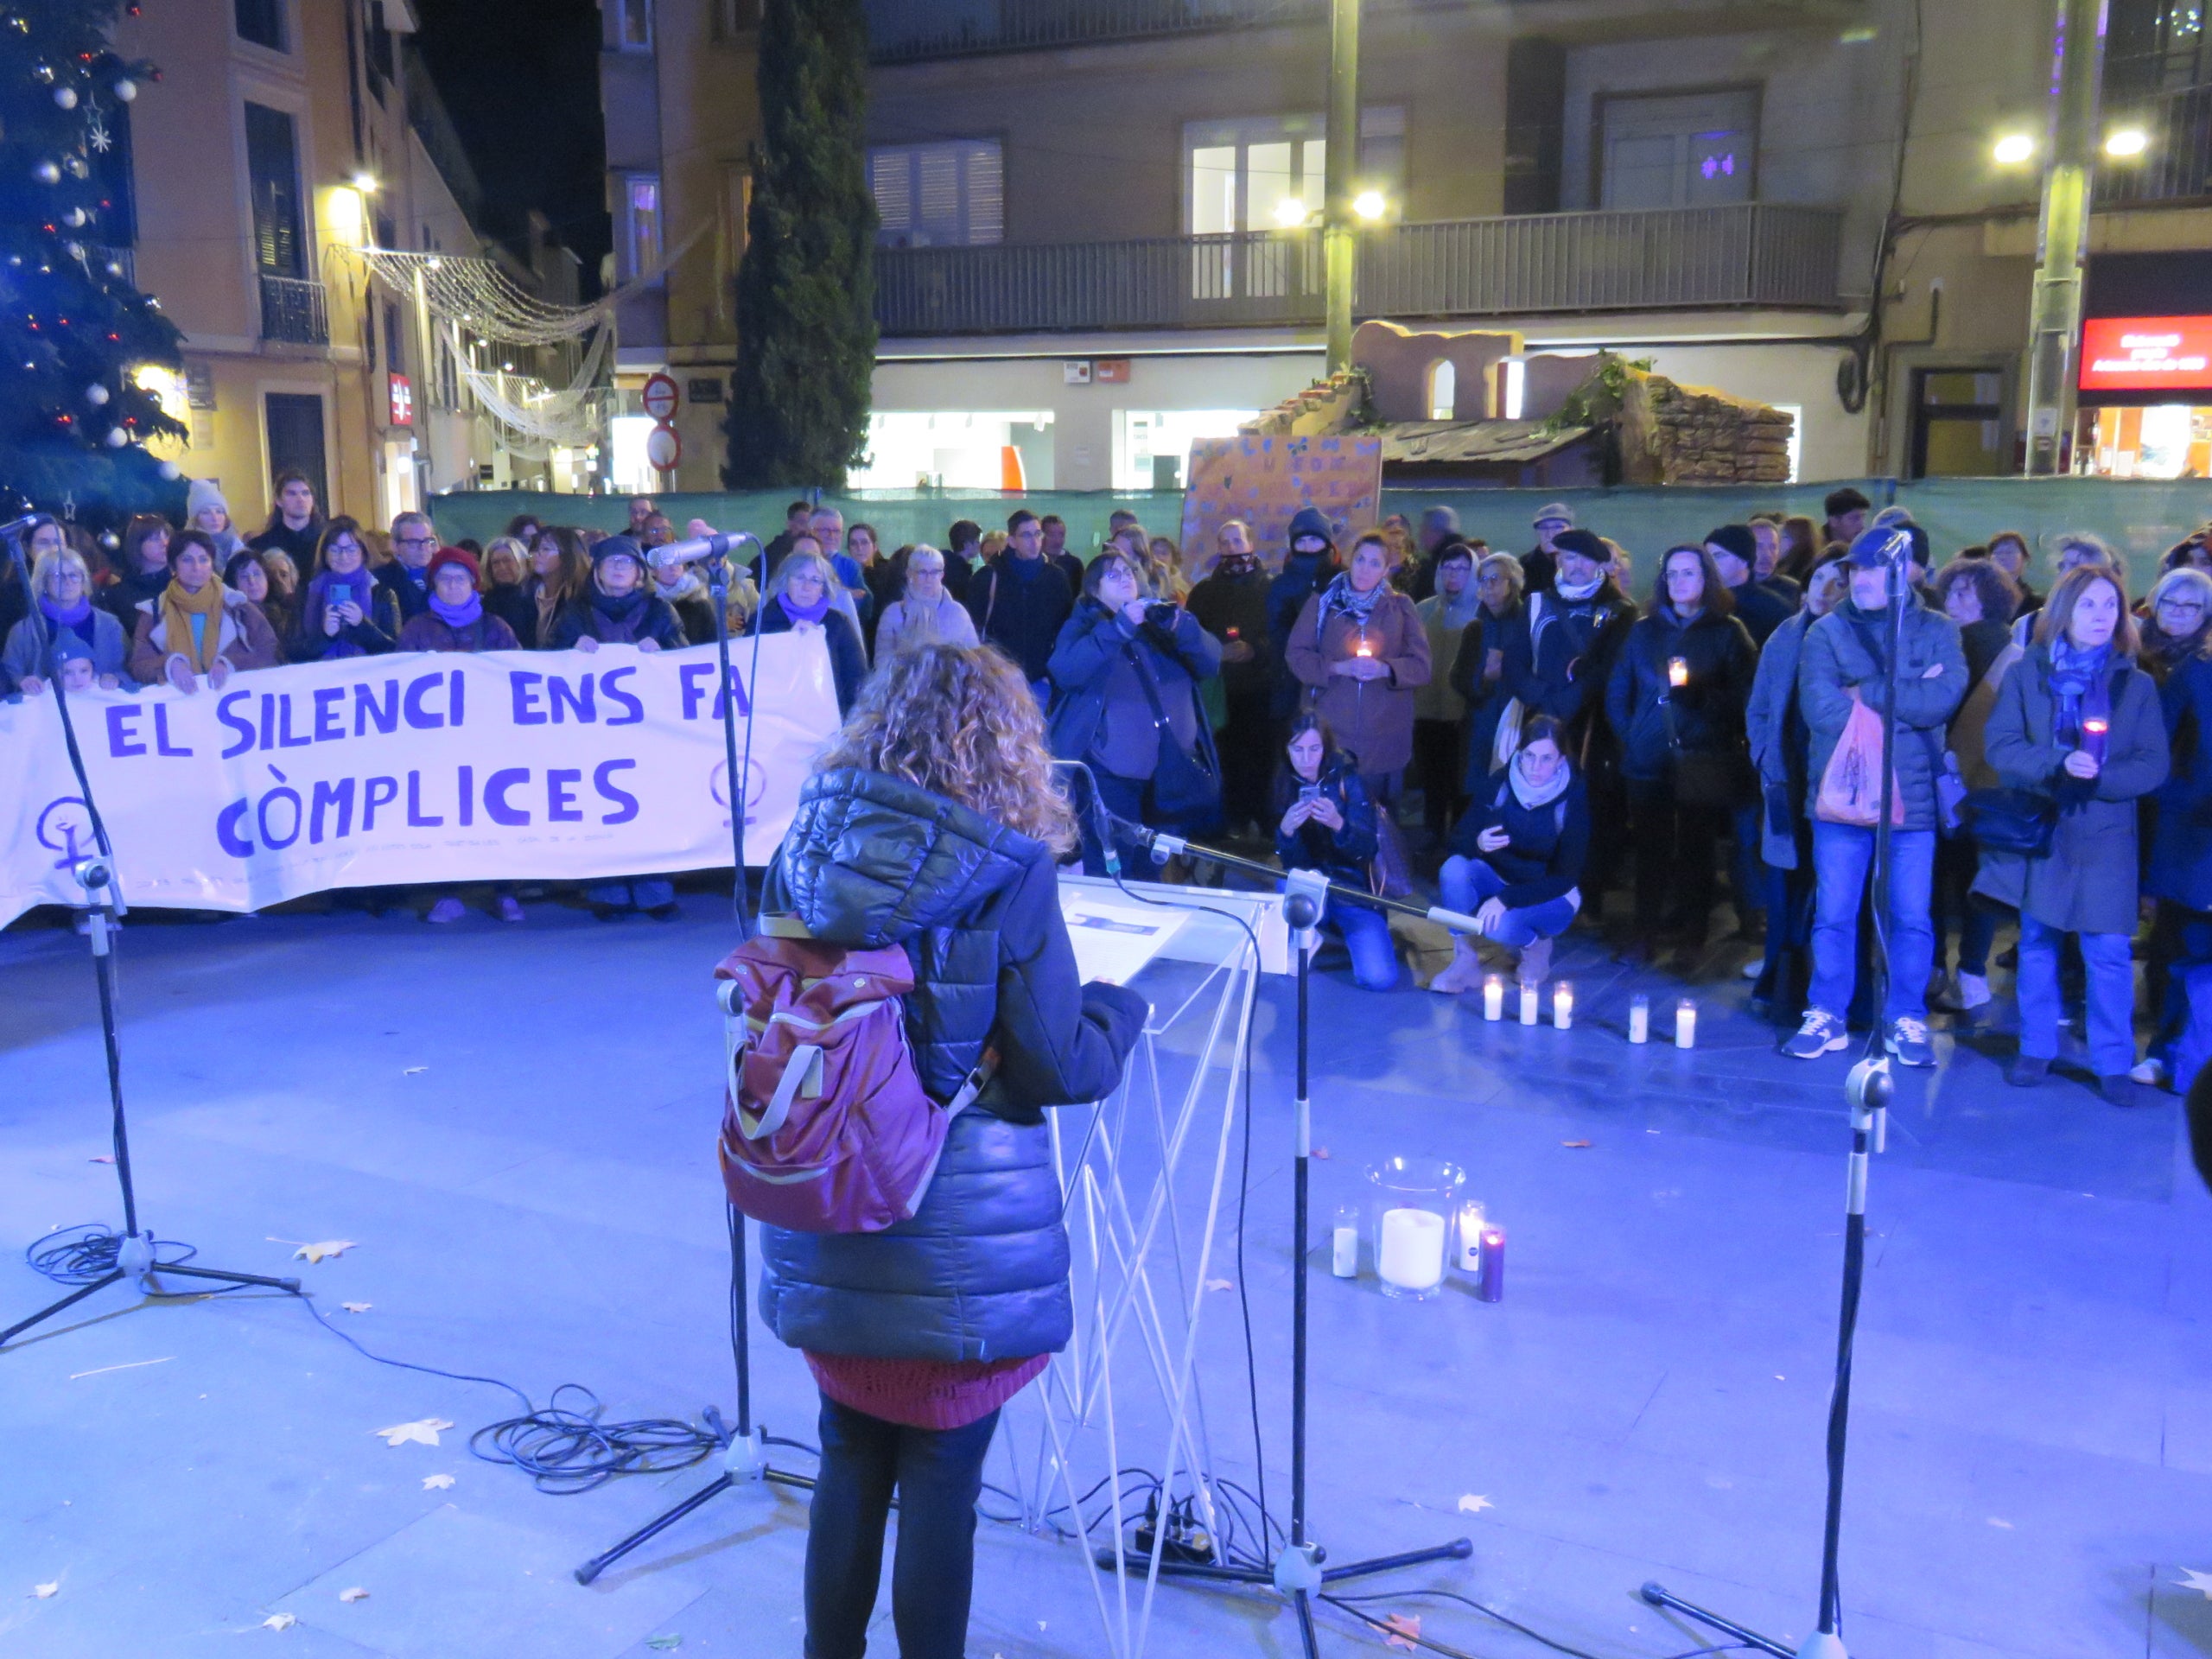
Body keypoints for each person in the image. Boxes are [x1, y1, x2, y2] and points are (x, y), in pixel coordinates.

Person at [757, 642, 1146, 1659]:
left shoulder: (807, 842)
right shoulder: (1010, 867)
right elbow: (1058, 1063)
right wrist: (1118, 1008)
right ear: (1009, 739)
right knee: (942, 1483)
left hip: (829, 1209)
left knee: (847, 1458)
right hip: (960, 1241)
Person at [1976, 564, 2166, 1103]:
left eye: (2111, 605)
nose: (2102, 615)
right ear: (2063, 611)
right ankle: (2036, 1046)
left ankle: (2110, 1059)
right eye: (2089, 604)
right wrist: (2057, 764)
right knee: (2037, 943)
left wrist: (2101, 775)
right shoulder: (2026, 674)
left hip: (2107, 837)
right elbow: (2002, 747)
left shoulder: (2136, 684)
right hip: (2046, 830)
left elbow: (2154, 764)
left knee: (2107, 952)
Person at [1783, 528, 1967, 1065]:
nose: (1861, 580)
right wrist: (1905, 703)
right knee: (1834, 913)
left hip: (1911, 805)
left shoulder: (1939, 631)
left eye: (1874, 570)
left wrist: (1866, 694)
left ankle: (1906, 1015)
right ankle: (1827, 1015)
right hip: (1842, 799)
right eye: (1855, 570)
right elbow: (1820, 709)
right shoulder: (1826, 633)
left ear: (1904, 572)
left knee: (1911, 916)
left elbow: (1943, 699)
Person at [1605, 544, 1758, 961]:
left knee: (1696, 850)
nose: (1678, 582)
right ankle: (1645, 933)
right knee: (1650, 851)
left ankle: (1693, 935)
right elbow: (1619, 690)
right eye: (1671, 574)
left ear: (1706, 579)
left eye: (1688, 573)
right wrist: (1631, 736)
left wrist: (1701, 699)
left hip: (1701, 756)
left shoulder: (1727, 633)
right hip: (1647, 759)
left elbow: (1746, 700)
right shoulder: (1643, 631)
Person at [1048, 549, 1223, 869]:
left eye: (1129, 571)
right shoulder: (1083, 626)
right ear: (1093, 589)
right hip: (1111, 775)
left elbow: (1211, 661)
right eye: (1112, 574)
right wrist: (1119, 628)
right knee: (1112, 866)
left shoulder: (1159, 622)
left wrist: (1182, 626)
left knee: (1153, 867)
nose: (1126, 577)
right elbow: (1066, 670)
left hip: (1168, 771)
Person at [1745, 555, 1849, 1017]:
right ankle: (1780, 979)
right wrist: (1764, 756)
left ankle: (1828, 987)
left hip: (1837, 781)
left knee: (1830, 886)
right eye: (1819, 579)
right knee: (1785, 882)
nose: (1826, 590)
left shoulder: (1854, 637)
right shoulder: (1784, 635)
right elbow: (1761, 705)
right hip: (1786, 778)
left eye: (1837, 583)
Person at [1927, 556, 2024, 1015]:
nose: (1954, 600)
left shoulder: (1992, 649)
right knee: (1970, 880)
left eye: (1967, 592)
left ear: (1991, 598)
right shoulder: (1944, 640)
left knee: (1951, 876)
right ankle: (1965, 971)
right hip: (1971, 782)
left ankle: (1946, 970)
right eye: (1951, 591)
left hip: (1968, 780)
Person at [1432, 716, 1589, 992]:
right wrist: (1477, 843)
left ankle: (1536, 948)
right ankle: (1465, 959)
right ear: (1520, 752)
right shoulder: (1500, 784)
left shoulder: (1573, 800)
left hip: (1551, 895)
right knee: (1454, 870)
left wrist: (1506, 899)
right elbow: (1457, 841)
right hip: (1499, 877)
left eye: (1546, 759)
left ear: (1561, 760)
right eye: (1529, 756)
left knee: (1497, 925)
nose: (1535, 767)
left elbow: (1565, 878)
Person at [1286, 529, 1430, 807]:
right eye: (1361, 559)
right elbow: (1296, 655)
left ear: (1387, 569)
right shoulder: (1322, 603)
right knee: (1332, 812)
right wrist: (1339, 668)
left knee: (1378, 819)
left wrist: (1385, 669)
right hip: (1331, 730)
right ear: (1351, 559)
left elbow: (1422, 666)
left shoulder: (1400, 607)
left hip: (1383, 736)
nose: (1365, 569)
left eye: (1375, 563)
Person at [2141, 566, 2212, 1090]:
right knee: (2181, 948)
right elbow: (2156, 755)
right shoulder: (2196, 674)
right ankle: (2168, 1053)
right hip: (2195, 838)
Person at [1274, 715, 1397, 990]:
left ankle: (1332, 932)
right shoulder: (1284, 781)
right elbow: (1290, 864)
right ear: (1287, 750)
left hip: (1351, 891)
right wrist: (1286, 832)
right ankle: (1306, 932)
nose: (1306, 759)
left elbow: (1367, 849)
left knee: (1379, 978)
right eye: (1298, 750)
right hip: (1311, 887)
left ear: (1325, 748)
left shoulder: (1349, 778)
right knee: (1285, 883)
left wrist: (1338, 824)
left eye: (1314, 749)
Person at [1185, 519, 1274, 839]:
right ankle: (1229, 821)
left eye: (1237, 541)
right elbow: (1192, 636)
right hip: (1219, 693)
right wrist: (1215, 651)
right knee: (1224, 758)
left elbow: (1282, 635)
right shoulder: (1205, 592)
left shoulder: (1270, 588)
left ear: (1251, 544)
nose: (1231, 548)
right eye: (1225, 542)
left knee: (1260, 757)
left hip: (1259, 689)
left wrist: (1255, 650)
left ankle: (1261, 819)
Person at [126, 528, 281, 691]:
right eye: (187, 560)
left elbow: (270, 652)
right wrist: (170, 664)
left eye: (203, 559)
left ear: (212, 564)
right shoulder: (153, 613)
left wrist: (230, 663)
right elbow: (138, 665)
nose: (196, 567)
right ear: (173, 565)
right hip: (181, 709)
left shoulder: (238, 606)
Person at [1413, 541, 1483, 843]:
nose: (1453, 575)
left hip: (1461, 713)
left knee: (1460, 780)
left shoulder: (1481, 611)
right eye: (1448, 568)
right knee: (1432, 779)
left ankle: (1459, 838)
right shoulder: (1424, 610)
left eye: (1462, 569)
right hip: (1426, 711)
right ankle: (1432, 833)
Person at [966, 510, 1073, 703]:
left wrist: (1053, 672)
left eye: (1038, 534)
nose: (1034, 541)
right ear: (1012, 541)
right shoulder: (988, 578)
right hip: (998, 679)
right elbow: (973, 629)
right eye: (1026, 535)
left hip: (1041, 679)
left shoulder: (1056, 578)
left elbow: (1065, 629)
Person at [1451, 551, 1535, 791]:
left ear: (1514, 583)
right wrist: (1484, 679)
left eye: (1495, 579)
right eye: (1483, 580)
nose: (1488, 586)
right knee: (1477, 789)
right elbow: (1457, 678)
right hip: (1480, 723)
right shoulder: (1475, 628)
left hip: (1517, 721)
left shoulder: (1528, 625)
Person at [749, 548, 871, 716]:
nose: (806, 587)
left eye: (815, 580)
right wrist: (788, 641)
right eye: (799, 578)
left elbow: (856, 680)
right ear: (786, 581)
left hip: (830, 722)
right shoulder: (761, 621)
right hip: (776, 721)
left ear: (824, 587)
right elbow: (751, 674)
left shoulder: (838, 623)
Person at [3, 543, 128, 694]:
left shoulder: (111, 625)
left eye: (74, 575)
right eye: (57, 576)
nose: (67, 582)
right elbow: (7, 677)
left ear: (84, 581)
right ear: (43, 582)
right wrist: (21, 681)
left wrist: (117, 679)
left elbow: (130, 671)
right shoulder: (23, 631)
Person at [546, 535, 690, 655]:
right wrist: (571, 648)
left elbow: (684, 660)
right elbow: (547, 659)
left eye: (627, 561)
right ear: (598, 570)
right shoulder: (575, 612)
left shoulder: (661, 612)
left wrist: (663, 650)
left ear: (639, 571)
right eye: (611, 560)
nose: (619, 566)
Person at [294, 517, 397, 662]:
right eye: (335, 550)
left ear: (363, 552)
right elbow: (293, 652)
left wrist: (362, 625)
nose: (343, 556)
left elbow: (394, 649)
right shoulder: (307, 593)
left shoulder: (382, 594)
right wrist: (326, 636)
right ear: (324, 553)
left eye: (351, 549)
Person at [396, 545, 523, 653]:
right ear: (434, 583)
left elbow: (515, 668)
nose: (452, 585)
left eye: (460, 579)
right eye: (445, 578)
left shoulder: (496, 628)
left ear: (472, 583)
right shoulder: (415, 629)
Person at [874, 544, 979, 657]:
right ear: (909, 574)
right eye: (922, 572)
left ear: (942, 575)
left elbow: (974, 657)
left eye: (934, 572)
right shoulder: (893, 613)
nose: (929, 579)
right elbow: (882, 660)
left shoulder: (957, 612)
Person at [1707, 524, 1797, 647]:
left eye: (1718, 556)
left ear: (1744, 561)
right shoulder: (1703, 602)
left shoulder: (1774, 608)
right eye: (1708, 557)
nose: (1710, 564)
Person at [527, 525, 594, 649]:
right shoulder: (526, 594)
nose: (537, 554)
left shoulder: (583, 597)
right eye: (535, 549)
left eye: (546, 549)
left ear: (568, 555)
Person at [224, 550, 296, 663]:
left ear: (267, 578)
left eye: (257, 574)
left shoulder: (288, 614)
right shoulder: (227, 618)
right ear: (233, 583)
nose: (252, 581)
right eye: (243, 576)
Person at [377, 511, 440, 626]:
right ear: (395, 546)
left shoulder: (444, 575)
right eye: (413, 542)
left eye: (427, 541)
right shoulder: (380, 579)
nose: (423, 547)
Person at [481, 536, 539, 647]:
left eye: (507, 560)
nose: (502, 567)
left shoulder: (538, 595)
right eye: (496, 563)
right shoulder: (487, 601)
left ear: (522, 562)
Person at [1404, 505, 1463, 601]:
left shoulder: (1431, 569)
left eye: (1424, 530)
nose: (1420, 535)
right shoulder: (1469, 560)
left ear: (1436, 532)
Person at [1521, 502, 1574, 596]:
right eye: (1543, 527)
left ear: (1571, 530)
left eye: (1558, 527)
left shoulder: (1585, 564)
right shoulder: (1522, 566)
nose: (1550, 534)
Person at [187, 479, 245, 563]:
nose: (215, 518)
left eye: (219, 511)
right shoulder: (187, 549)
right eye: (206, 512)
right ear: (196, 519)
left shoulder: (236, 545)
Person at [758, 499, 814, 582]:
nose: (807, 529)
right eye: (802, 523)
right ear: (789, 524)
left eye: (810, 524)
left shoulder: (815, 548)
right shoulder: (774, 552)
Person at [1039, 512, 1084, 594]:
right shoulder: (1033, 563)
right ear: (1040, 536)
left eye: (1061, 535)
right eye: (1052, 535)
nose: (1057, 541)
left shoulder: (1074, 564)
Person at [1775, 514, 1822, 588]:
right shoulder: (1779, 567)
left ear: (1798, 540)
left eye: (1784, 537)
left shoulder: (1803, 575)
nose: (1777, 542)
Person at [1821, 486, 1870, 552]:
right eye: (1854, 518)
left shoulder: (1867, 547)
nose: (1862, 525)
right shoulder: (1816, 551)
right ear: (1834, 521)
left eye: (1863, 517)